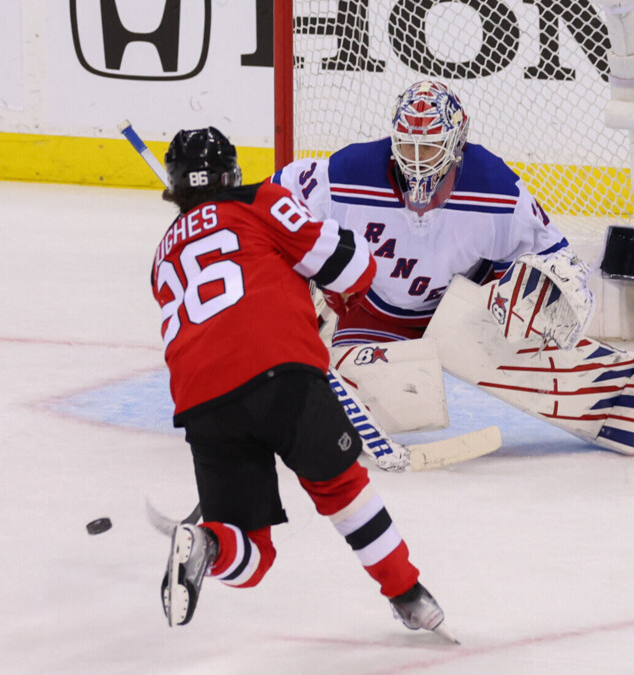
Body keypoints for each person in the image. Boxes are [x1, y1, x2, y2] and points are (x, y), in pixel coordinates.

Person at [148, 126, 455, 641]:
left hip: (200, 404)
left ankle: (209, 545)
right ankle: (409, 595)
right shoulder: (257, 200)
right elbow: (355, 269)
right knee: (339, 487)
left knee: (252, 553)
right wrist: (319, 291)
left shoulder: (161, 255)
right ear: (232, 173)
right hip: (280, 374)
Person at [272, 79, 580, 346]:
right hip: (374, 313)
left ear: (458, 142)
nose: (417, 161)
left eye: (429, 147)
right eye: (407, 146)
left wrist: (535, 313)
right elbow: (271, 200)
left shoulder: (496, 190)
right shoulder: (348, 175)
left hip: (463, 320)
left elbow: (553, 256)